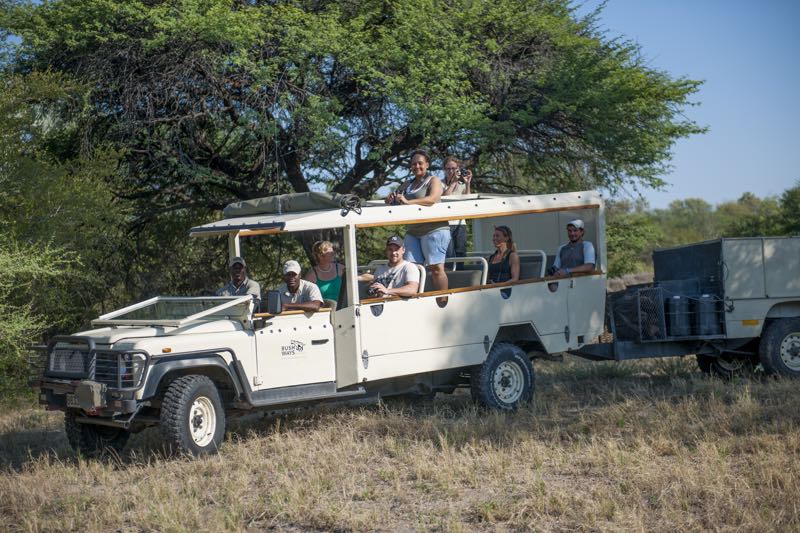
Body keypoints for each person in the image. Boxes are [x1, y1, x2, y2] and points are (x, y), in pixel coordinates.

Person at [385, 149, 450, 292]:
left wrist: (409, 202)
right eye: (413, 164)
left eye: (420, 163)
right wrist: (390, 199)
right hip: (413, 231)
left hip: (434, 230)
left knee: (436, 269)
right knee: (412, 268)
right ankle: (417, 300)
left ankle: (443, 300)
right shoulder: (407, 183)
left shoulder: (433, 180)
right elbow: (395, 198)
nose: (417, 166)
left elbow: (432, 199)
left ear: (427, 164)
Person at [442, 156, 472, 259]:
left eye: (454, 168)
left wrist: (467, 183)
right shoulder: (439, 183)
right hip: (445, 223)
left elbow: (468, 200)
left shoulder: (462, 184)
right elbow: (443, 198)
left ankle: (461, 274)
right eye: (448, 169)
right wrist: (453, 182)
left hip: (460, 222)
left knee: (461, 252)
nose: (451, 171)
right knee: (448, 253)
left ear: (458, 169)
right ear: (444, 170)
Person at [304, 240, 345, 304]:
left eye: (333, 251)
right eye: (330, 252)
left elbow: (356, 277)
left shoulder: (340, 268)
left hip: (343, 308)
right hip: (324, 311)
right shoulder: (312, 275)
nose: (333, 253)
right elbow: (305, 297)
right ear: (320, 255)